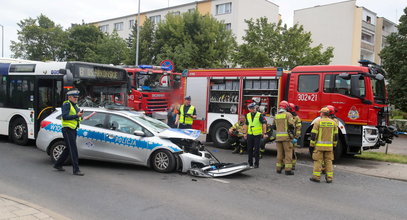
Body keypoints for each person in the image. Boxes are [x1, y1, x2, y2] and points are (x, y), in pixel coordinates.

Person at [53, 89, 95, 176]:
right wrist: (77, 115)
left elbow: (76, 118)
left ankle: (58, 164)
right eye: (74, 97)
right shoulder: (66, 104)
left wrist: (83, 118)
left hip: (73, 129)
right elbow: (65, 117)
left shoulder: (75, 106)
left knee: (68, 148)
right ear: (69, 97)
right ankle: (76, 170)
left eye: (77, 97)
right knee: (73, 149)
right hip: (67, 129)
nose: (76, 98)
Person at [309, 107, 339, 183]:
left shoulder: (318, 122)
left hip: (319, 147)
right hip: (329, 148)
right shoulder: (333, 123)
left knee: (318, 161)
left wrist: (312, 145)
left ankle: (316, 177)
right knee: (329, 162)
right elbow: (336, 136)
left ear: (322, 113)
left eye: (320, 113)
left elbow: (313, 135)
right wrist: (334, 145)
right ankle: (329, 178)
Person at [272, 101, 295, 175]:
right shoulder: (288, 114)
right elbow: (291, 126)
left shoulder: (276, 115)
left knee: (279, 153)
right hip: (286, 138)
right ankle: (288, 170)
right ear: (286, 107)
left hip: (278, 138)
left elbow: (274, 127)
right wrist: (292, 135)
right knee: (288, 153)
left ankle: (278, 169)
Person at [243, 103, 267, 168]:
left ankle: (256, 164)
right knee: (249, 149)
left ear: (256, 108)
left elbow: (264, 124)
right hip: (250, 134)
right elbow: (246, 125)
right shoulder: (247, 115)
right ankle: (250, 163)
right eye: (251, 108)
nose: (253, 109)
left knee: (256, 150)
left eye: (254, 108)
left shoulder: (259, 115)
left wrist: (264, 133)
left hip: (257, 135)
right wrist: (245, 133)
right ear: (249, 109)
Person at [289, 103, 302, 170]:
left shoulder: (296, 118)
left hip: (292, 138)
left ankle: (292, 165)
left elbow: (298, 128)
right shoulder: (288, 116)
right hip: (287, 137)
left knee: (292, 152)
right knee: (287, 152)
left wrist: (296, 137)